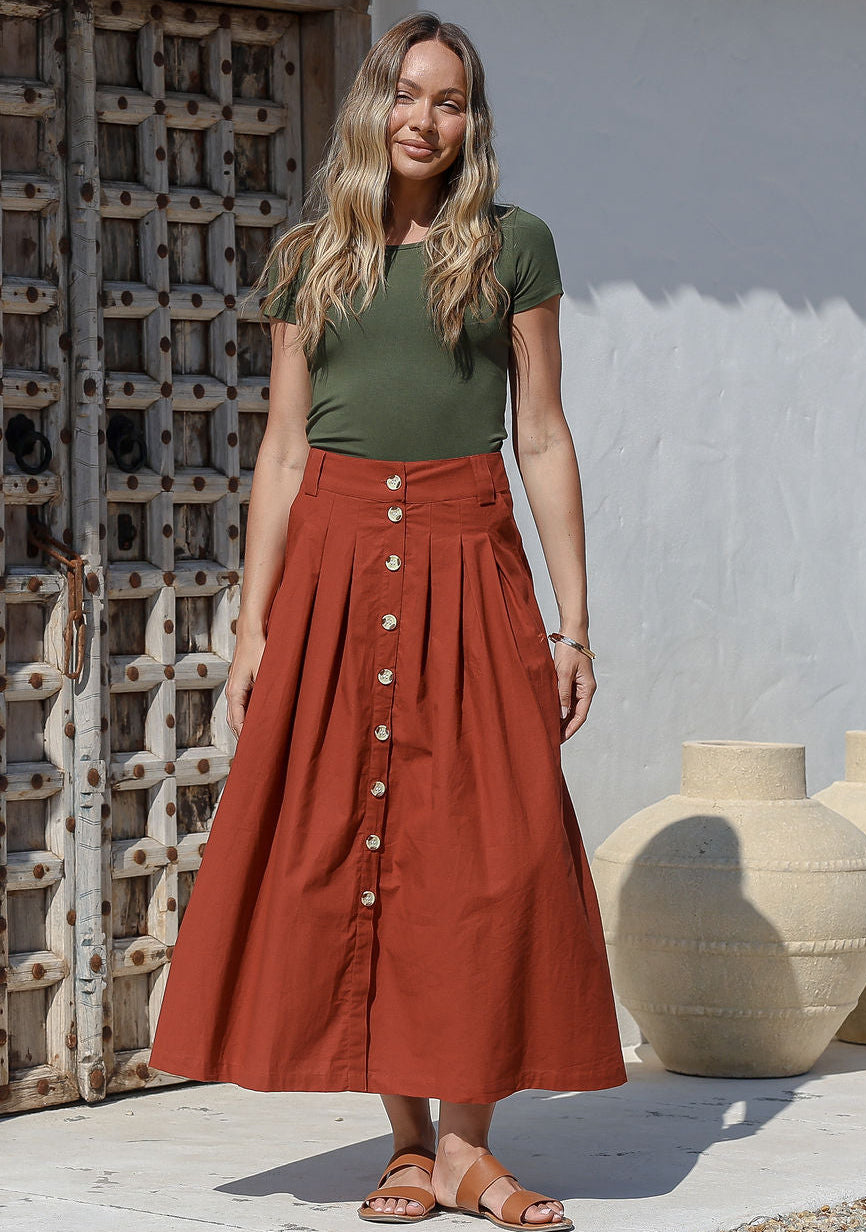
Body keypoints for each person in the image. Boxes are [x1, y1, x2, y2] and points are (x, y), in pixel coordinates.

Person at [148, 12, 626, 1230]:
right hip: (338, 567)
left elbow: (542, 433)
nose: (426, 118)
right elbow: (283, 452)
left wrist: (576, 623)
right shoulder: (309, 253)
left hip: (470, 561)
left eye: (451, 101)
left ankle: (471, 1143)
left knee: (477, 852)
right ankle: (409, 1144)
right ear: (374, 102)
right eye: (409, 94)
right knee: (360, 839)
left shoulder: (514, 246)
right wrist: (250, 629)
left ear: (473, 121)